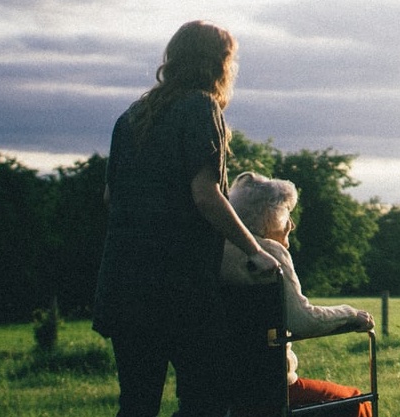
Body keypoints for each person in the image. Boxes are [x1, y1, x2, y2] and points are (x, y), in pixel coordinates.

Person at [93, 20, 280, 417]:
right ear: (218, 63)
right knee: (205, 400)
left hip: (124, 284)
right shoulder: (200, 106)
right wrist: (255, 251)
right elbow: (206, 195)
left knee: (137, 403)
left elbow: (112, 196)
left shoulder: (132, 115)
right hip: (178, 289)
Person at [221, 172, 375, 417]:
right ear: (270, 217)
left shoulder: (216, 250)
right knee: (356, 402)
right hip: (272, 389)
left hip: (223, 386)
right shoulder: (268, 253)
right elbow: (303, 320)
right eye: (287, 215)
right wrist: (351, 314)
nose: (291, 225)